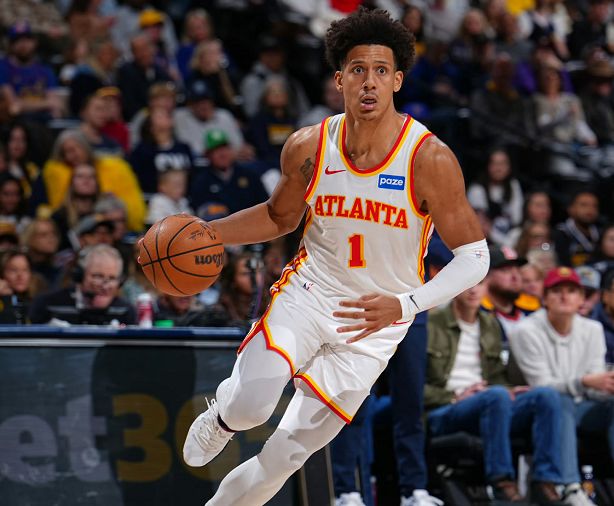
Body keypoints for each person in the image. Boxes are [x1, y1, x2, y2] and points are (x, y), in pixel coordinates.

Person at [166, 9, 489, 506]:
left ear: (397, 80)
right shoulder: (309, 146)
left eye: (381, 70)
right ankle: (224, 415)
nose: (369, 82)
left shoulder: (429, 158)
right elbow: (278, 217)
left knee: (285, 456)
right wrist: (210, 233)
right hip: (310, 293)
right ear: (340, 80)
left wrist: (405, 304)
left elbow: (475, 257)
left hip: (376, 322)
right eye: (358, 69)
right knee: (252, 407)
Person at [426, 280, 568, 504]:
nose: (473, 289)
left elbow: (496, 377)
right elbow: (412, 387)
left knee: (545, 396)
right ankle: (501, 480)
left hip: (487, 403)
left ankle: (545, 480)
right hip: (444, 408)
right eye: (467, 282)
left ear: (487, 288)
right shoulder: (431, 324)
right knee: (496, 396)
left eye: (480, 283)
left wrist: (510, 390)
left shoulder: (490, 324)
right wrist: (454, 397)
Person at [509, 266, 614, 504]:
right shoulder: (524, 331)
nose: (564, 297)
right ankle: (570, 487)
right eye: (557, 291)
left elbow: (595, 382)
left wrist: (606, 386)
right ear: (545, 298)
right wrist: (584, 382)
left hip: (583, 405)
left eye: (571, 291)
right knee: (559, 401)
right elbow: (541, 387)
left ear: (581, 298)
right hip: (536, 410)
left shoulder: (593, 329)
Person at [29, 243, 135, 325]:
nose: (105, 286)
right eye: (98, 276)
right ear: (80, 275)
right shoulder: (47, 305)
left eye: (112, 278)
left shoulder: (126, 311)